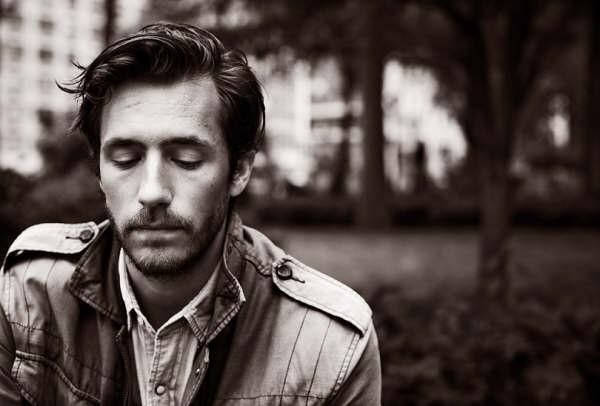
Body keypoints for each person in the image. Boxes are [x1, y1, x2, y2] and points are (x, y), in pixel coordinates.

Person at [0, 23, 380, 405]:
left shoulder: (330, 345)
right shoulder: (28, 294)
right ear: (99, 171)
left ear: (239, 170)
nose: (152, 192)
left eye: (186, 159)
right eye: (125, 159)